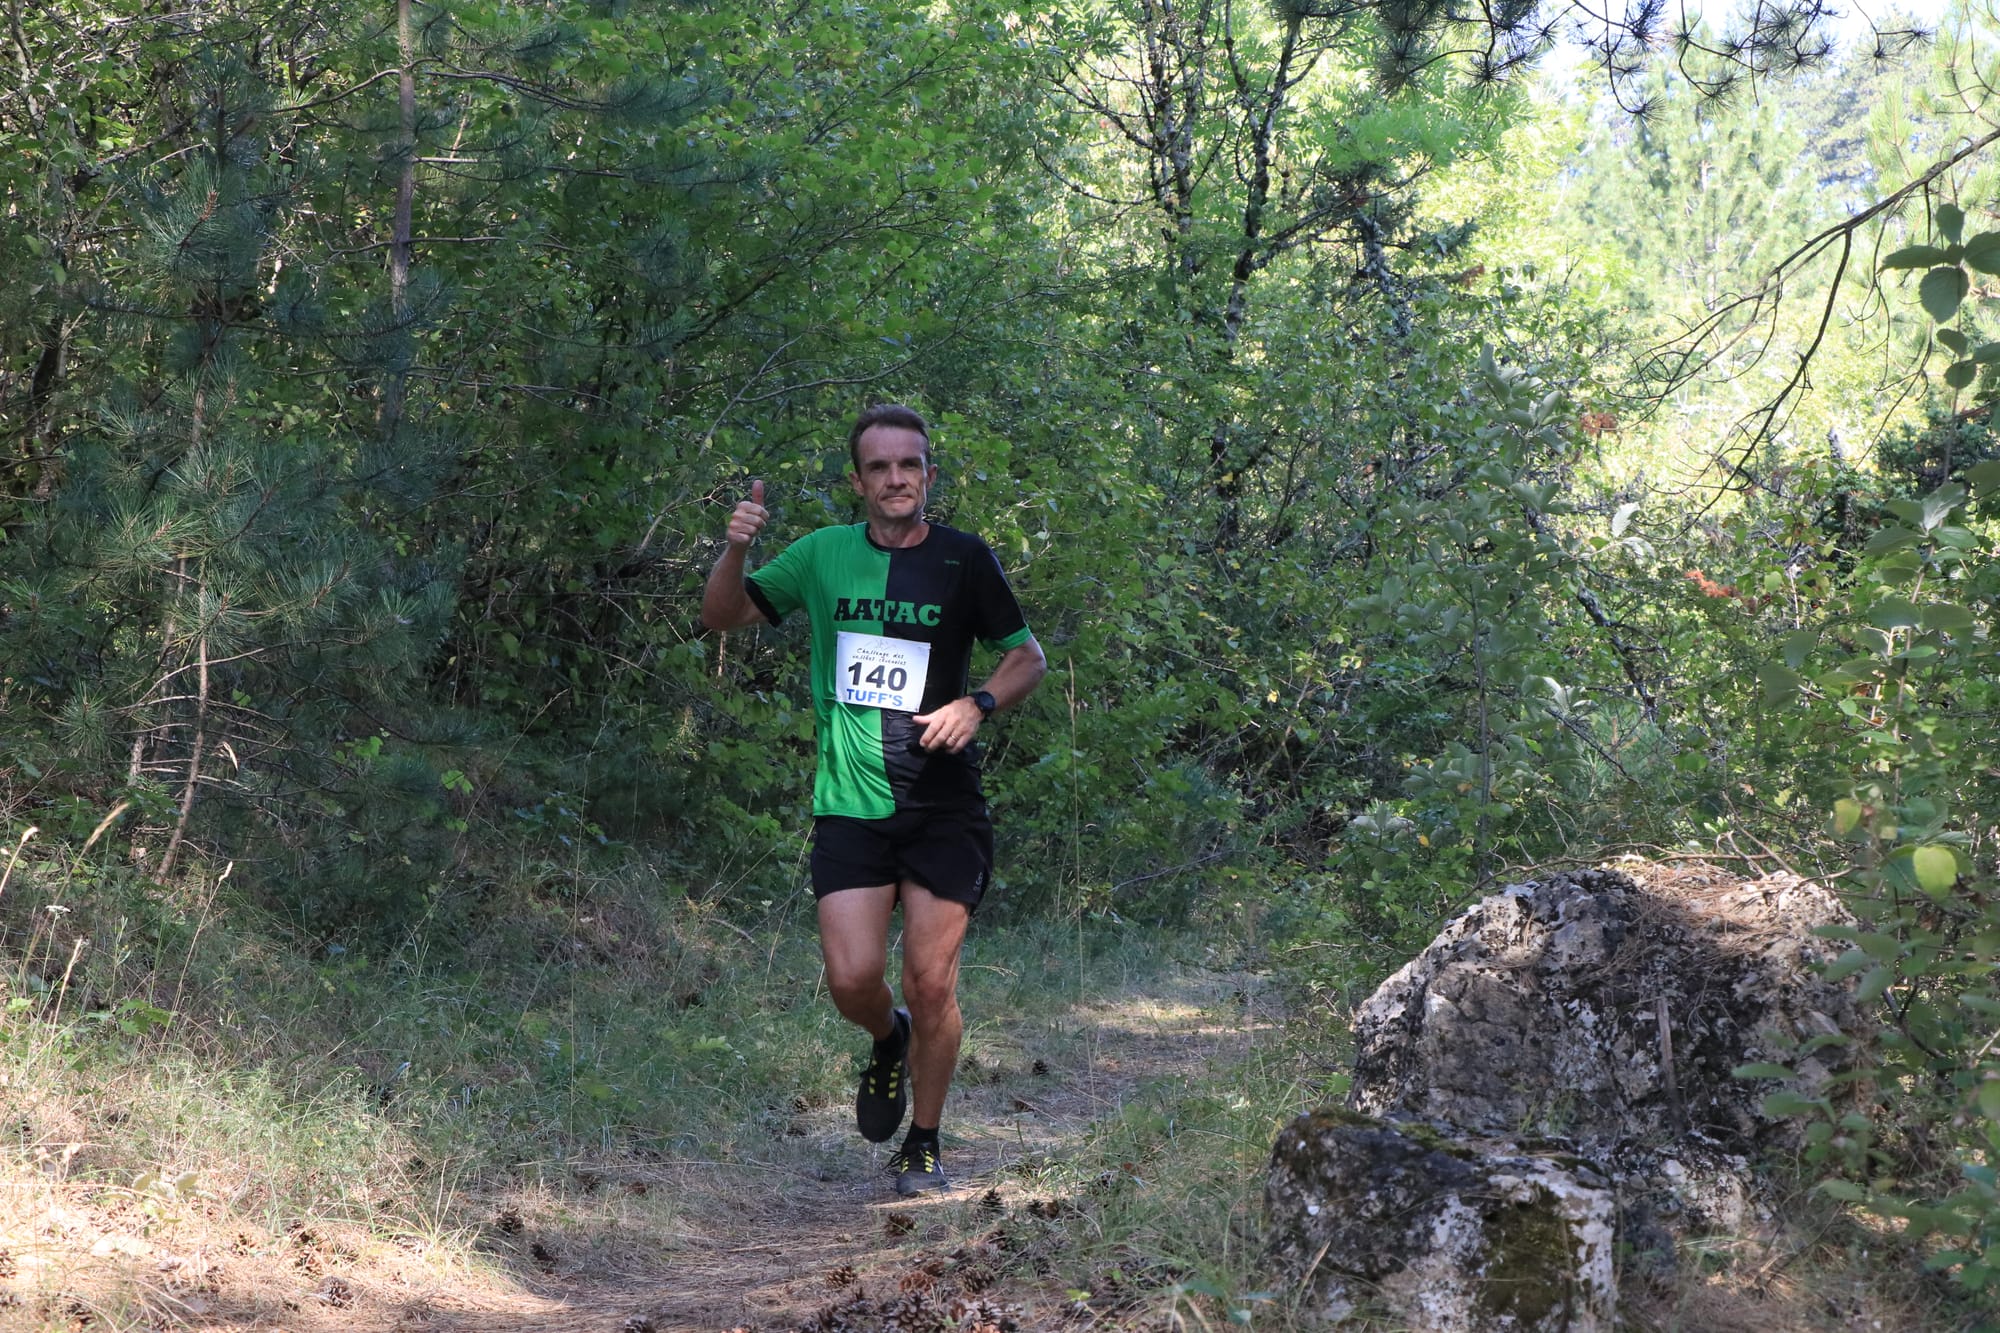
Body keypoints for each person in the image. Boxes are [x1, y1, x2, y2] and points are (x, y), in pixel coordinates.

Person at [700, 403, 1047, 1196]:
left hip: (943, 806)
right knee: (853, 979)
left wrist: (977, 705)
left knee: (933, 983)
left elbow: (1026, 657)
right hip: (851, 800)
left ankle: (923, 1139)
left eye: (911, 465)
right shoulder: (822, 555)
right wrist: (737, 546)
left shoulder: (965, 560)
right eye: (881, 467)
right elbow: (724, 615)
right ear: (858, 481)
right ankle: (885, 1037)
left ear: (930, 474)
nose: (897, 478)